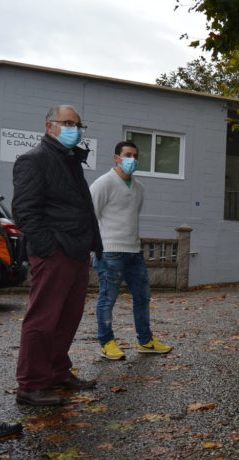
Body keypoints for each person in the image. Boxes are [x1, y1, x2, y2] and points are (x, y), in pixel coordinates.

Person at [11, 105, 102, 406]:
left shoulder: (70, 160)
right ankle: (31, 384)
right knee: (43, 318)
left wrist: (89, 245)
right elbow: (25, 212)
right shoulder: (33, 160)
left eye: (77, 125)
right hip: (55, 253)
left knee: (67, 318)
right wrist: (50, 247)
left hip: (76, 251)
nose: (74, 129)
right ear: (49, 126)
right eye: (67, 123)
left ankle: (56, 372)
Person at [89, 141, 173, 360]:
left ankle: (146, 341)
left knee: (143, 297)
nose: (132, 160)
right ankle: (107, 342)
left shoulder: (139, 188)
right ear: (116, 158)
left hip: (134, 251)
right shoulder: (103, 183)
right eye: (127, 155)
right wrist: (93, 249)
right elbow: (90, 217)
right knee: (108, 299)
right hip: (109, 252)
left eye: (135, 156)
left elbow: (131, 216)